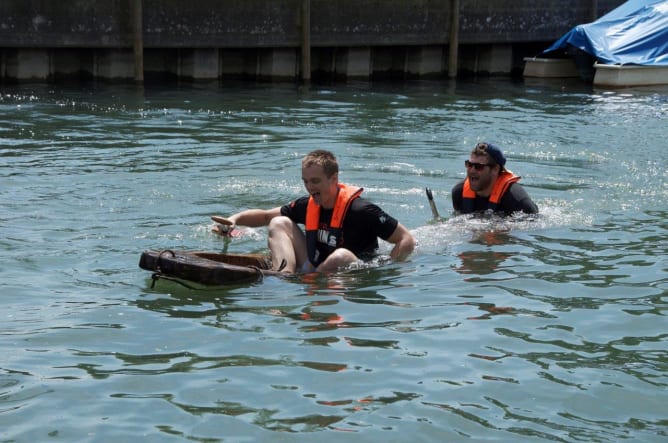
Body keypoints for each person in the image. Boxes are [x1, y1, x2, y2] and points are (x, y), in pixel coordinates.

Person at [212, 149, 415, 274]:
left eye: (315, 181)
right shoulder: (308, 204)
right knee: (278, 222)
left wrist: (386, 268)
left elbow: (406, 239)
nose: (309, 187)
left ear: (333, 179)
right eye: (306, 181)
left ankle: (310, 282)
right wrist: (234, 219)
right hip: (315, 267)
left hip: (352, 267)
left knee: (341, 255)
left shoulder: (362, 210)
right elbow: (265, 216)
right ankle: (284, 277)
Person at [451, 142, 538, 216]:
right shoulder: (459, 193)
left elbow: (533, 226)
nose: (472, 170)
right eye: (469, 164)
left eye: (479, 167)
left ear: (495, 169)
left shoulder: (517, 200)